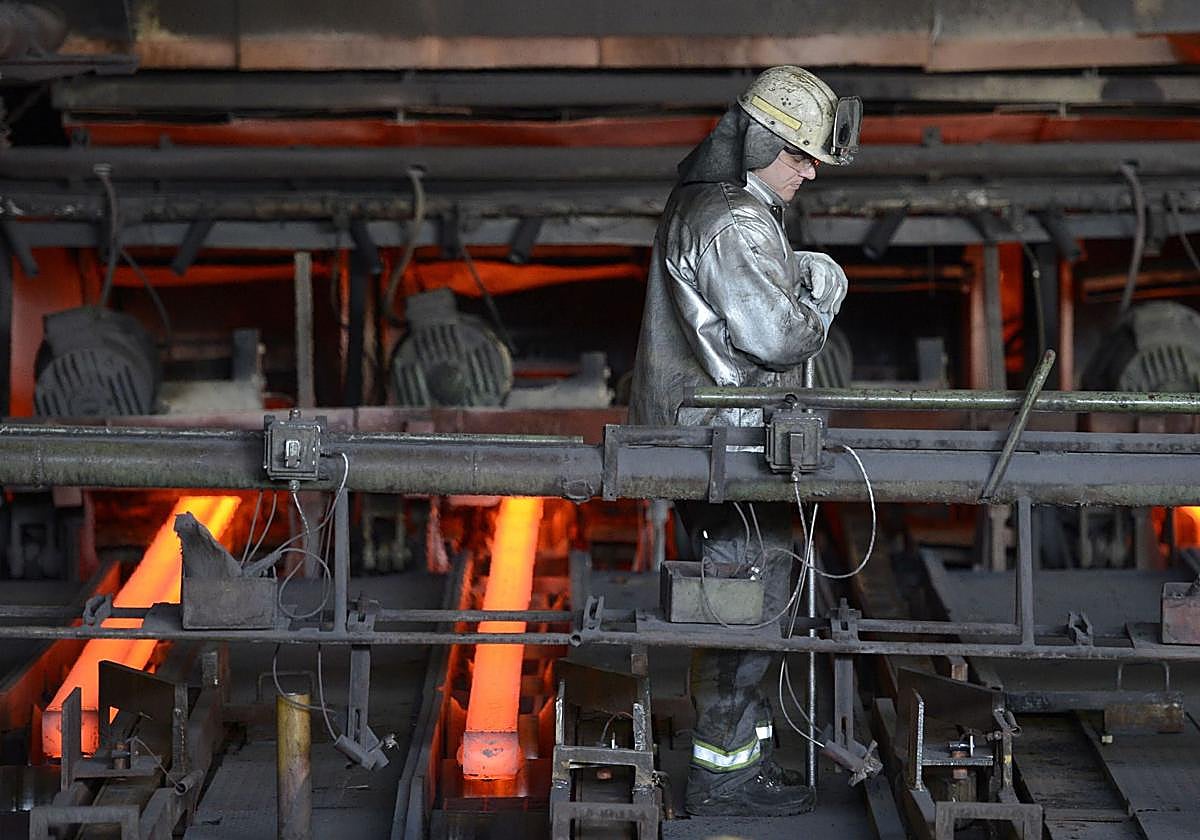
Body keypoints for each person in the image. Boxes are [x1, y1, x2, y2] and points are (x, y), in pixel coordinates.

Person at [627, 66, 860, 816]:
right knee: (743, 612)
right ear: (757, 141)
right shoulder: (733, 219)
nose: (809, 169)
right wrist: (823, 290)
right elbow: (780, 336)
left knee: (749, 606)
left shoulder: (725, 207)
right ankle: (722, 779)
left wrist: (794, 270)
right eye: (797, 153)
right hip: (730, 449)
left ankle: (742, 762)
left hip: (720, 447)